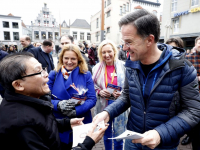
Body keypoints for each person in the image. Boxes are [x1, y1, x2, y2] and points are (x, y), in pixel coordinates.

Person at [93, 9, 200, 150]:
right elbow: (126, 96)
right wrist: (107, 112)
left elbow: (193, 111)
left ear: (149, 40)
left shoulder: (182, 68)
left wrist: (160, 133)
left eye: (129, 42)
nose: (124, 48)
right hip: (132, 140)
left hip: (163, 144)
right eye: (123, 42)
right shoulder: (131, 64)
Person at [0, 52, 108, 150]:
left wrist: (65, 123)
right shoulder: (22, 125)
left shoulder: (32, 100)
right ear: (18, 85)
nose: (46, 74)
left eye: (43, 69)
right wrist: (88, 143)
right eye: (39, 72)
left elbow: (41, 124)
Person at [47, 44, 97, 149]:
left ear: (78, 59)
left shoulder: (86, 74)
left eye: (73, 58)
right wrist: (58, 105)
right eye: (66, 58)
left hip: (81, 122)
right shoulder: (54, 74)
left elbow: (92, 99)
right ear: (61, 59)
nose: (69, 62)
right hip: (59, 123)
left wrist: (76, 111)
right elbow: (45, 98)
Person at [92, 40, 128, 150]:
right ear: (100, 54)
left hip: (119, 104)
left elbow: (130, 85)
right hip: (103, 104)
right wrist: (99, 92)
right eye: (103, 52)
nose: (107, 55)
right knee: (105, 133)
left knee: (119, 134)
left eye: (109, 51)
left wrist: (122, 93)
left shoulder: (123, 66)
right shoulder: (96, 68)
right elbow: (93, 86)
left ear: (114, 51)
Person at [185, 36, 200, 149]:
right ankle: (189, 136)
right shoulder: (188, 58)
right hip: (192, 95)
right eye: (199, 44)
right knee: (193, 120)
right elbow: (185, 76)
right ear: (195, 44)